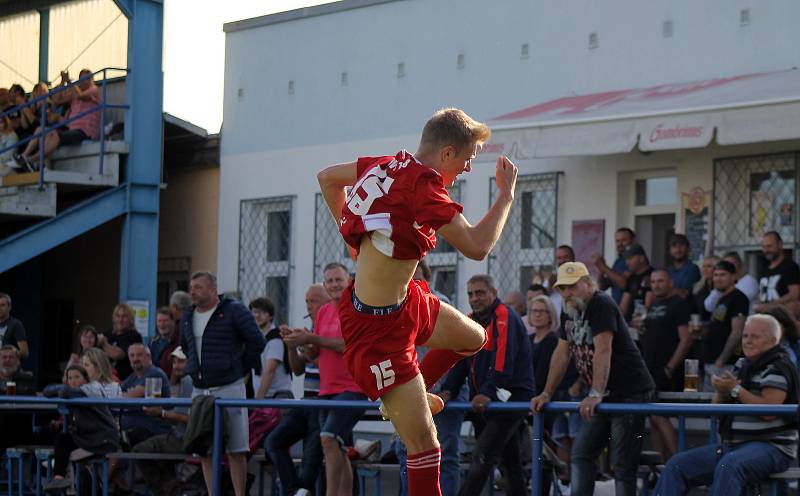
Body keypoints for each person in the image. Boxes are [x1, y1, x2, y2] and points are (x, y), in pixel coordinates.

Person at [318, 108, 518, 496]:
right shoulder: (424, 188)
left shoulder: (390, 164)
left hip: (405, 302)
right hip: (377, 332)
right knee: (425, 446)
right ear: (446, 153)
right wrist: (506, 195)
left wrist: (352, 235)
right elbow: (477, 247)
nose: (467, 169)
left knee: (473, 338)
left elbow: (327, 179)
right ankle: (404, 396)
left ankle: (416, 389)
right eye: (467, 158)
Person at [530, 262, 655, 496]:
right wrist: (546, 392)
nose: (567, 293)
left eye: (572, 287)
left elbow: (603, 349)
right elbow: (562, 353)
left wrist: (595, 393)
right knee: (581, 453)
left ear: (588, 284)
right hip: (604, 395)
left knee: (622, 463)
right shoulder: (570, 307)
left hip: (629, 392)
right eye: (562, 288)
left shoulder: (601, 303)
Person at [654, 314, 799, 495]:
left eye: (755, 336)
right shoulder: (741, 365)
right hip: (735, 445)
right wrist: (722, 392)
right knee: (676, 465)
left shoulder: (778, 366)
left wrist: (735, 389)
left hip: (771, 447)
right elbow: (717, 412)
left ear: (773, 340)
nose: (748, 341)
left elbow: (768, 411)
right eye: (745, 336)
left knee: (728, 464)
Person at [441, 275, 534, 496]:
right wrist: (448, 390)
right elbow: (460, 360)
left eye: (480, 292)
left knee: (480, 459)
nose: (475, 298)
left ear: (494, 292)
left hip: (510, 400)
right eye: (471, 294)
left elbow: (503, 361)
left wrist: (486, 393)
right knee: (510, 465)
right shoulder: (471, 320)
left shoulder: (505, 316)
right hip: (488, 402)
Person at [282, 263, 368, 496]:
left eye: (338, 280)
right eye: (329, 281)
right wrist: (297, 342)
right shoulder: (323, 311)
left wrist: (312, 337)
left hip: (353, 387)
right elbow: (314, 354)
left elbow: (348, 345)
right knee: (337, 445)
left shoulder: (359, 308)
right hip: (326, 389)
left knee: (328, 438)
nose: (333, 285)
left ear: (349, 280)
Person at [180, 271, 265, 496]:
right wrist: (193, 368)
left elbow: (256, 341)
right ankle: (212, 492)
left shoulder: (234, 310)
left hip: (229, 387)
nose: (193, 291)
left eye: (198, 287)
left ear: (212, 289)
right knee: (204, 448)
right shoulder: (188, 315)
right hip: (200, 388)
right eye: (191, 287)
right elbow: (186, 346)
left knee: (236, 447)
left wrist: (239, 369)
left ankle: (239, 493)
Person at [395, 261, 468, 496]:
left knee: (444, 452)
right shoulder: (393, 305)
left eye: (412, 269)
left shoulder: (437, 302)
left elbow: (453, 348)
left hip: (443, 389)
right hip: (410, 391)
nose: (406, 275)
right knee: (406, 450)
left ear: (424, 275)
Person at [266, 284, 329, 496]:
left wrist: (309, 345)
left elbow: (332, 366)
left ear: (328, 303)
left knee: (311, 456)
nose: (309, 306)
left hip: (326, 401)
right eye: (307, 301)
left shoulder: (331, 329)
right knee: (274, 442)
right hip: (307, 401)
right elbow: (297, 369)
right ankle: (296, 490)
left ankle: (301, 489)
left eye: (314, 301)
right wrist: (292, 346)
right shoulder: (311, 331)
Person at [526, 295, 580, 489]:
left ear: (551, 315)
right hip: (536, 396)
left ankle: (564, 479)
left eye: (542, 311)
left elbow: (543, 373)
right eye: (534, 311)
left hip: (552, 395)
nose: (537, 315)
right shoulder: (530, 338)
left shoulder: (553, 339)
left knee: (559, 438)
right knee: (550, 441)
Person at [638, 269, 693, 458]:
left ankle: (678, 462)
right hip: (649, 367)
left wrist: (670, 368)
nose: (656, 285)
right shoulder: (654, 304)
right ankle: (660, 465)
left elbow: (686, 339)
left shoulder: (678, 304)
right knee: (653, 417)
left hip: (666, 368)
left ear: (670, 281)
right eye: (653, 282)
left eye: (661, 281)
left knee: (658, 415)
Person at [132, 347, 193, 496]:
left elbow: (189, 419)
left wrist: (161, 413)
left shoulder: (189, 381)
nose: (176, 366)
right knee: (146, 440)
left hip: (185, 439)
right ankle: (171, 488)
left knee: (138, 451)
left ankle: (164, 491)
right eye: (175, 362)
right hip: (181, 435)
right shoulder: (185, 380)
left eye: (181, 362)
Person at [16, 69, 100, 170]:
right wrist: (63, 82)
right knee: (43, 132)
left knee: (55, 135)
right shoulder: (75, 91)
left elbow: (80, 96)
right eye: (81, 79)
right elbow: (56, 100)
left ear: (92, 79)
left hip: (85, 131)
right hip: (73, 129)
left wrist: (69, 82)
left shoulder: (94, 89)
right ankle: (28, 158)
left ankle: (32, 160)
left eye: (87, 79)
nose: (84, 81)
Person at [700, 260, 750, 391]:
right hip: (711, 362)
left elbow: (737, 333)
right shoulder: (722, 298)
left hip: (726, 365)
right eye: (715, 275)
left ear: (734, 276)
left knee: (720, 406)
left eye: (723, 275)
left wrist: (721, 361)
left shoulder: (738, 298)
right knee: (708, 406)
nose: (718, 278)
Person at [119, 343, 172, 444]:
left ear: (149, 356)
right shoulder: (133, 376)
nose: (135, 359)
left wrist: (124, 394)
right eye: (132, 355)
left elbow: (131, 396)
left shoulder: (155, 373)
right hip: (132, 427)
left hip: (153, 429)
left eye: (139, 355)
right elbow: (117, 393)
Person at [249, 297, 293, 399]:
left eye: (262, 312)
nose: (257, 316)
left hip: (275, 398)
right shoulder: (255, 339)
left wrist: (258, 401)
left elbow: (270, 371)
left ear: (271, 316)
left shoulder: (275, 339)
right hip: (265, 397)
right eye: (254, 312)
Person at [755, 231, 800, 312]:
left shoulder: (790, 267)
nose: (766, 250)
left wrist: (770, 306)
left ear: (780, 245)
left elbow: (795, 294)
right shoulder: (764, 270)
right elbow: (761, 294)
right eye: (764, 247)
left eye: (769, 246)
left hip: (783, 318)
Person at [98, 303, 143, 380]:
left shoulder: (134, 336)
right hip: (106, 380)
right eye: (118, 316)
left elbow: (118, 355)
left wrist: (104, 344)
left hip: (126, 381)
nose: (120, 320)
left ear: (130, 319)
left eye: (124, 316)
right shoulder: (109, 334)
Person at [592, 227, 635, 305]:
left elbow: (624, 284)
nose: (620, 244)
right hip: (616, 308)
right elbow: (602, 287)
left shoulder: (634, 260)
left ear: (632, 241)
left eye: (624, 240)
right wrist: (601, 270)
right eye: (617, 241)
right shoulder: (618, 261)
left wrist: (603, 266)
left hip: (630, 311)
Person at [619, 243, 653, 321]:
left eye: (630, 258)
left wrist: (638, 320)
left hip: (646, 324)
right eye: (626, 259)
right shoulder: (631, 278)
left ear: (641, 258)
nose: (627, 262)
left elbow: (648, 305)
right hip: (630, 325)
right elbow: (623, 307)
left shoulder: (652, 275)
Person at [666, 234, 701, 299]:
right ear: (670, 251)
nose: (678, 250)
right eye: (674, 246)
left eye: (681, 245)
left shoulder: (693, 269)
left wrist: (662, 290)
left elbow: (683, 293)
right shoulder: (668, 270)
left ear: (688, 248)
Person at [149, 307, 181, 377]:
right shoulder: (152, 343)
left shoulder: (180, 342)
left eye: (165, 321)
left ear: (173, 322)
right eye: (159, 321)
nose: (162, 324)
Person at [0, 292, 28, 359]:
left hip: (6, 367)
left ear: (9, 307)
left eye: (2, 305)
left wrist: (6, 357)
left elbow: (24, 352)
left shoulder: (15, 324)